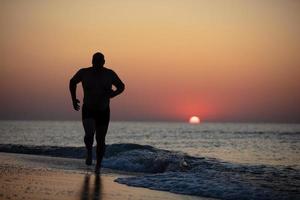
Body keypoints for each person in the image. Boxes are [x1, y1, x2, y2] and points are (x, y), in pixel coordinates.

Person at [69, 52, 125, 174]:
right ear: (92, 61)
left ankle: (98, 164)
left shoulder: (109, 74)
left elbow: (121, 86)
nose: (98, 64)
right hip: (88, 109)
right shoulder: (84, 72)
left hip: (103, 110)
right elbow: (72, 82)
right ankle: (89, 151)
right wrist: (73, 99)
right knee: (89, 134)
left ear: (104, 62)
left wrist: (113, 94)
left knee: (100, 139)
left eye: (100, 62)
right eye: (96, 61)